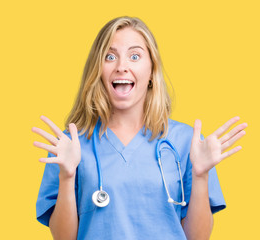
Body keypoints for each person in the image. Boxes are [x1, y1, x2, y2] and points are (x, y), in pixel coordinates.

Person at [32, 16, 247, 240]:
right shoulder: (70, 146)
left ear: (152, 71)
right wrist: (67, 177)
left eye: (135, 56)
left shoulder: (186, 143)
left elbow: (198, 238)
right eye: (110, 56)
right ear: (97, 70)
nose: (121, 67)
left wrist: (200, 175)